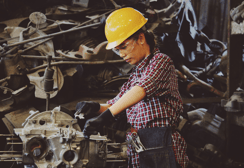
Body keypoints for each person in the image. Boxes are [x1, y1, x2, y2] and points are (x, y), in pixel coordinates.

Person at [75, 7, 189, 168]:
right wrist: (94, 107)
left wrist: (106, 116)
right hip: (138, 145)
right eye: (117, 50)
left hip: (160, 145)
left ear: (141, 38)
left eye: (123, 47)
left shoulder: (161, 62)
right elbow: (117, 104)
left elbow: (141, 90)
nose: (121, 54)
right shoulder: (135, 75)